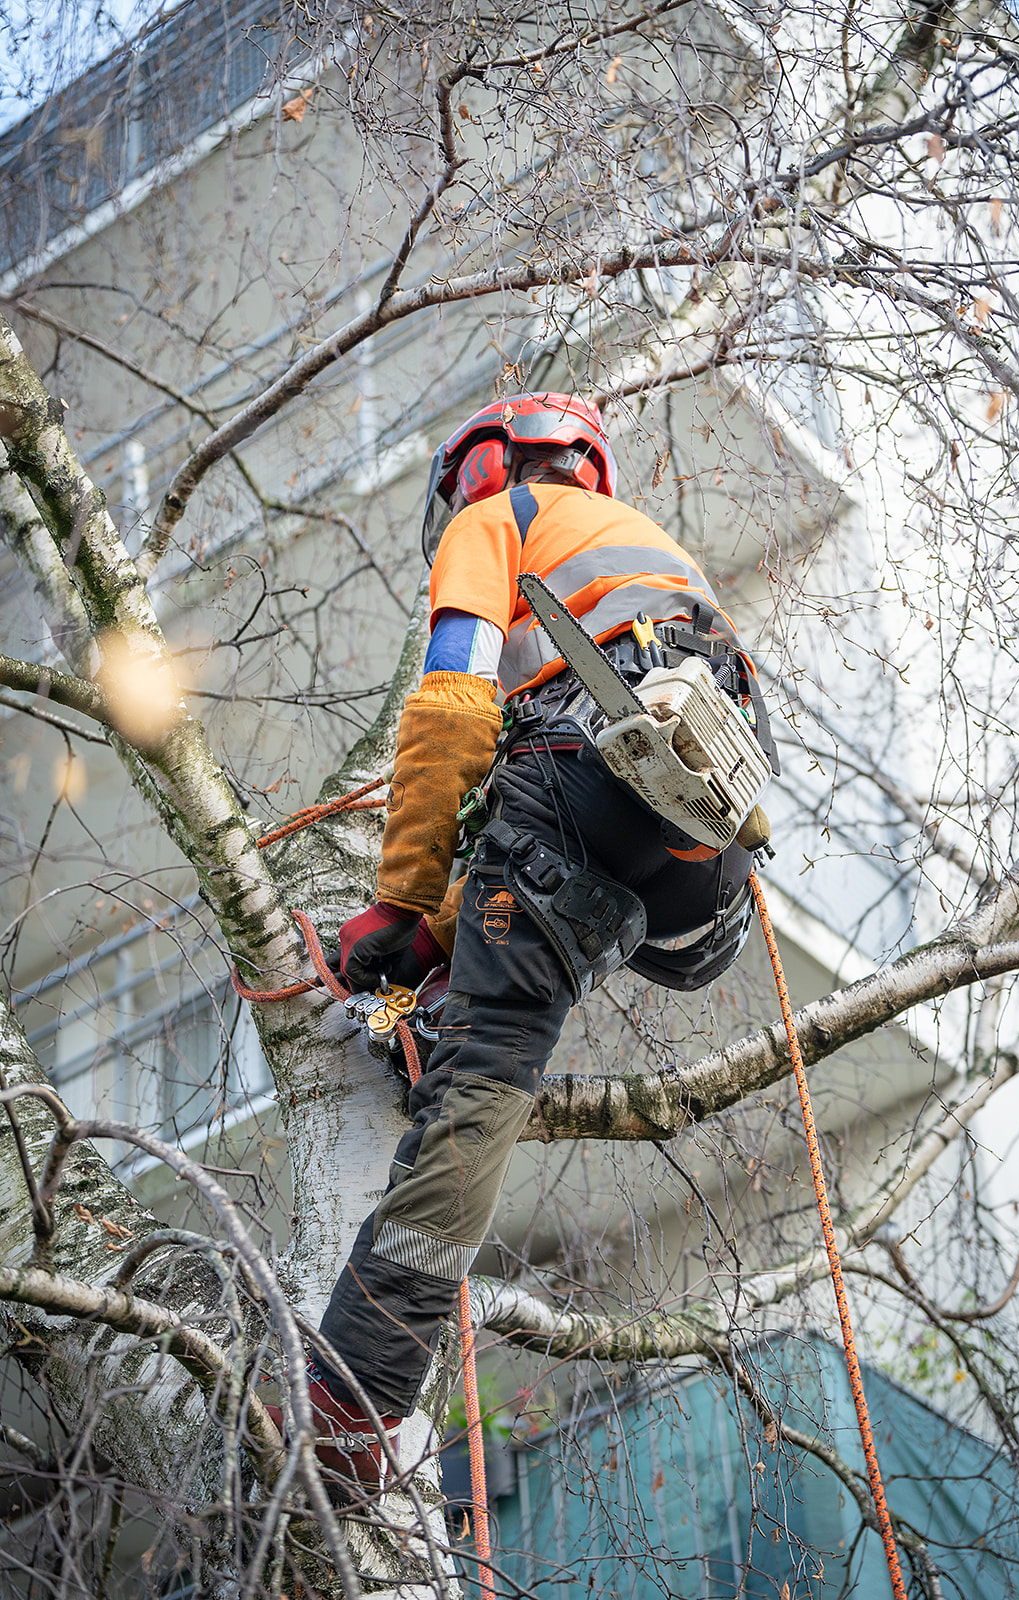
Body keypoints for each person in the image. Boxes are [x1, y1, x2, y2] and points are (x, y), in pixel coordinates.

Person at [267, 393, 775, 1494]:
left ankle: (350, 1400)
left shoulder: (492, 519)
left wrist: (399, 901)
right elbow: (545, 858)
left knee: (481, 1083)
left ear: (488, 465)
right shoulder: (648, 554)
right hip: (699, 853)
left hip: (586, 772)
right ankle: (447, 1001)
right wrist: (446, 935)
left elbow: (451, 707)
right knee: (515, 926)